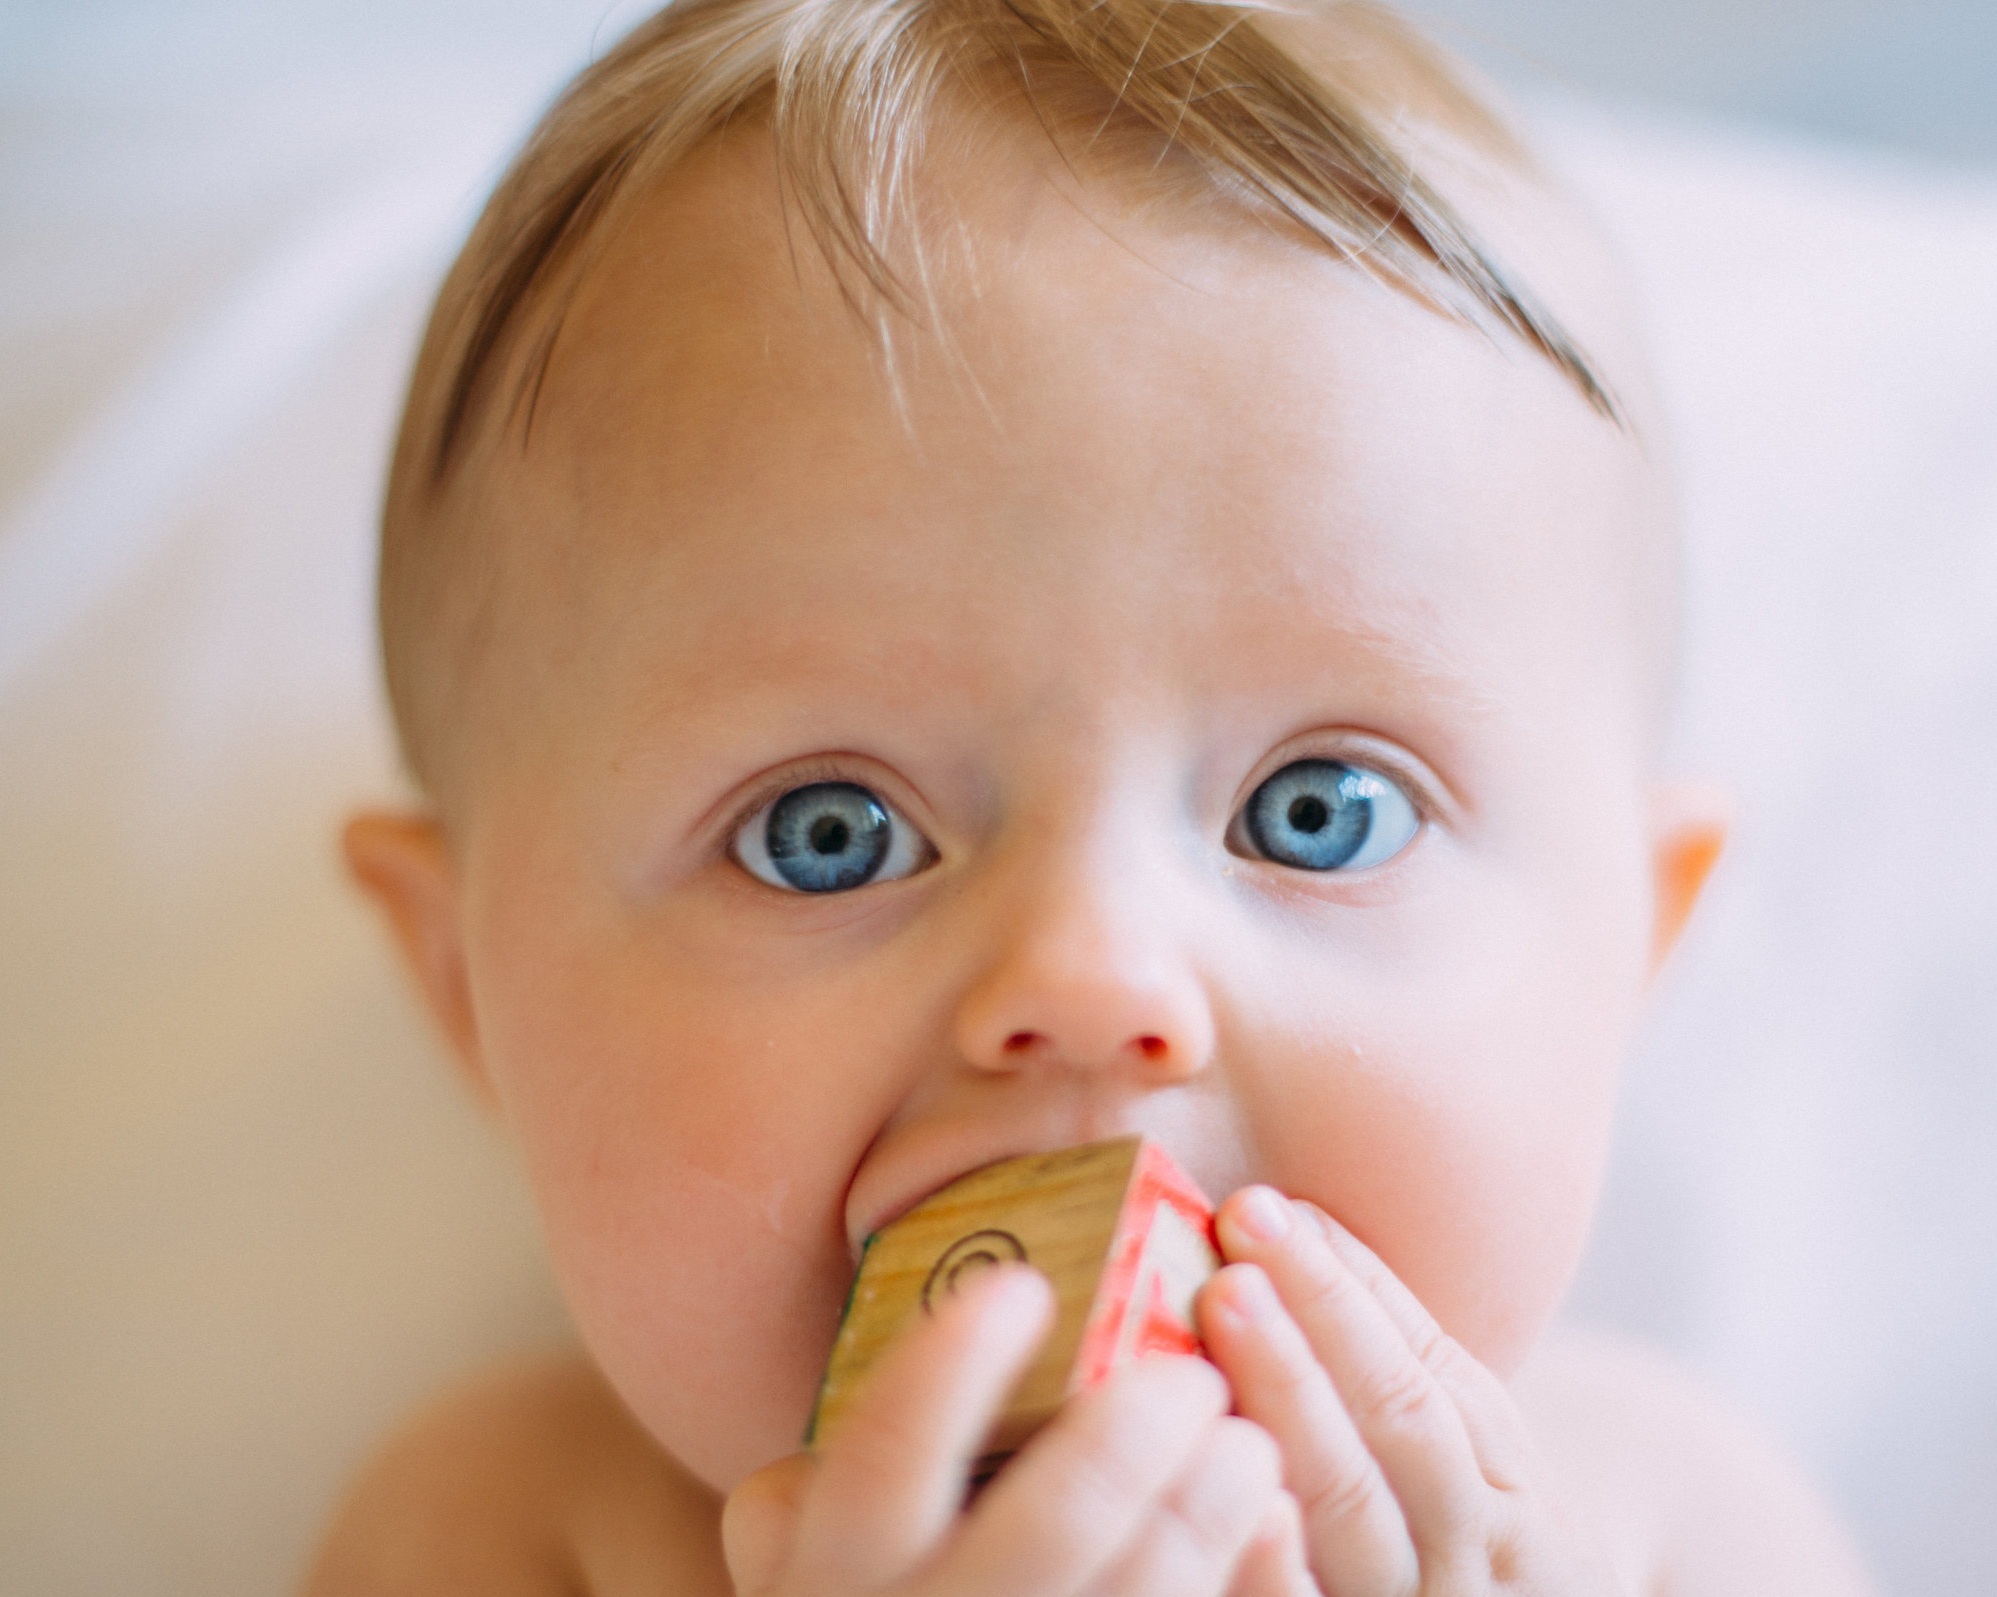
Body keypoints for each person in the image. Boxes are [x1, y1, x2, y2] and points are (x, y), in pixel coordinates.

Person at [309, 0, 1874, 1589]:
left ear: (1627, 954)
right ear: (469, 985)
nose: (1090, 976)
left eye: (1319, 807)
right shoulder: (494, 1532)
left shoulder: (1675, 1529)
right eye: (825, 836)